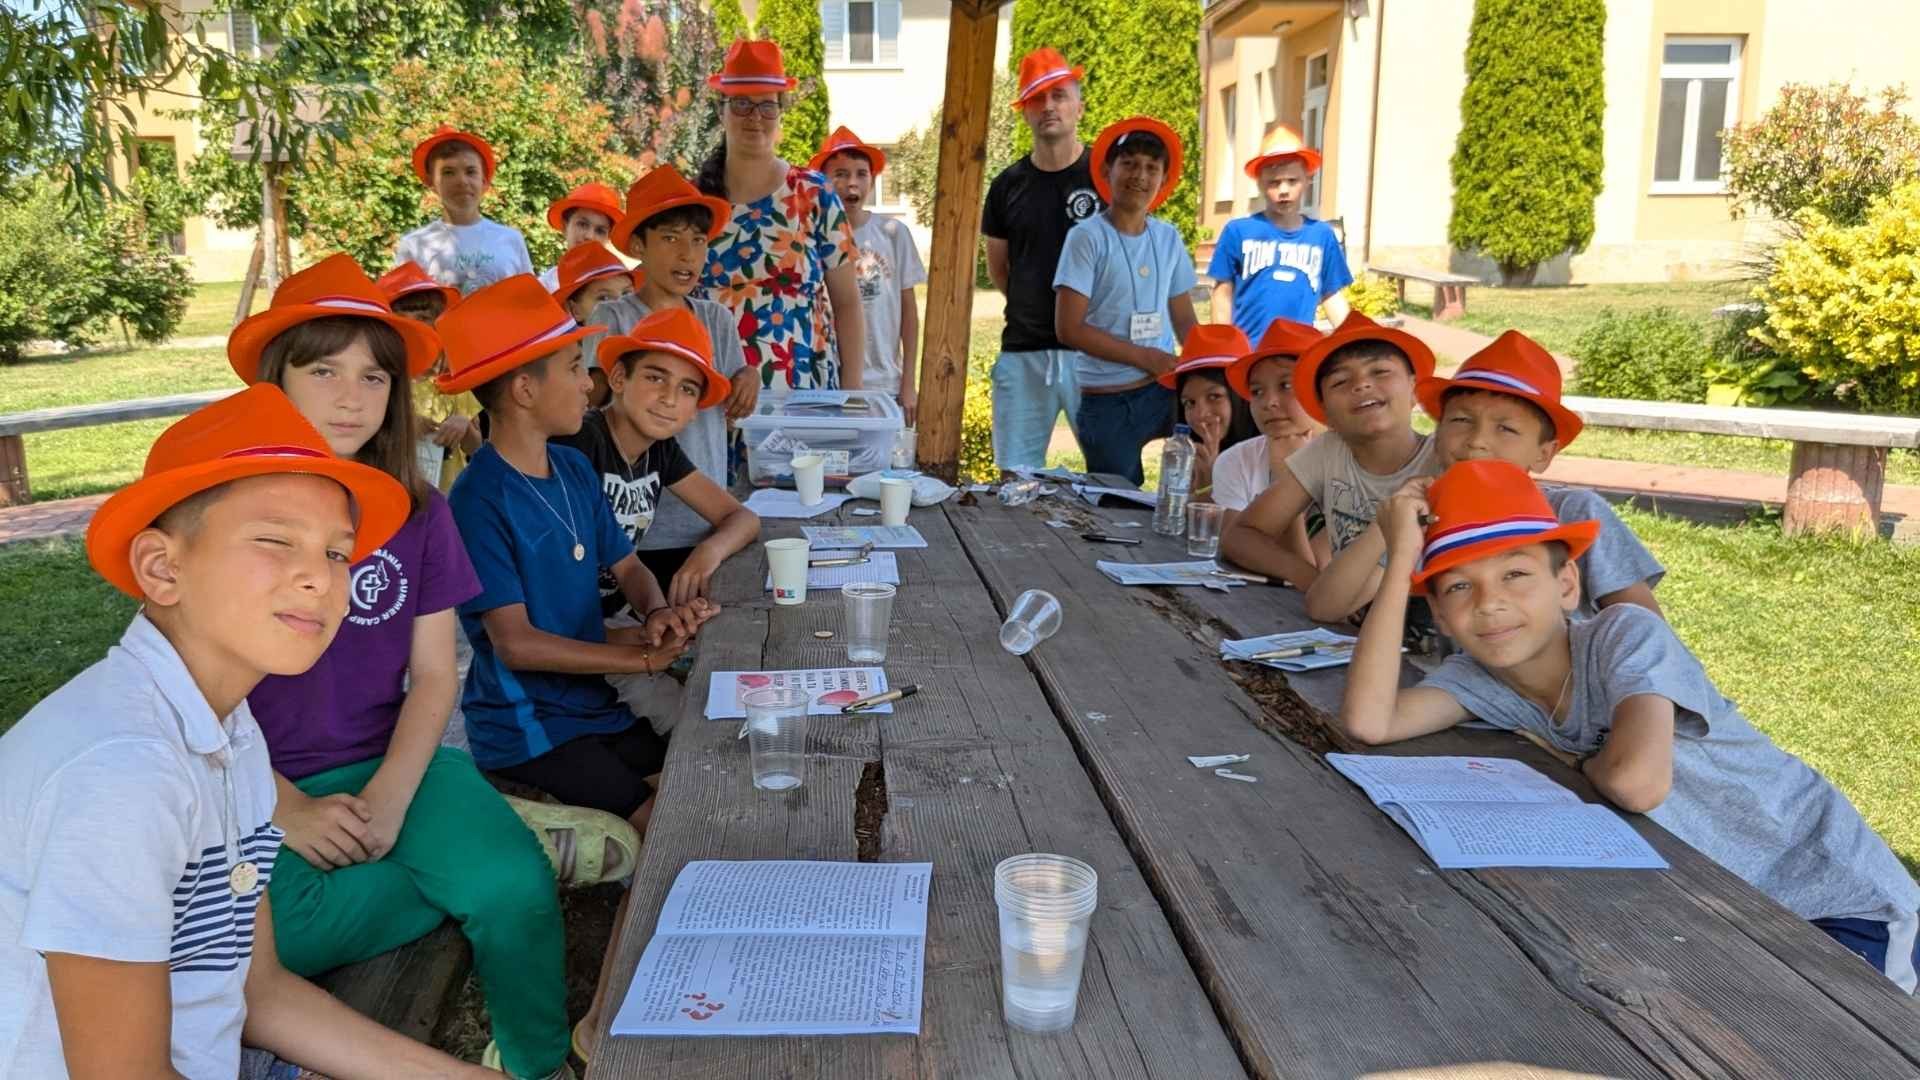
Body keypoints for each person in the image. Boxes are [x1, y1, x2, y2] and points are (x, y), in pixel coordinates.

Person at [0, 384, 496, 1078]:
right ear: (162, 567)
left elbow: (257, 992)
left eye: (335, 553)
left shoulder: (228, 731)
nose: (320, 580)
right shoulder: (123, 774)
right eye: (274, 541)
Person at [1339, 458, 1920, 994]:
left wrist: (1588, 763)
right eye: (1459, 586)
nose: (1489, 603)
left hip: (1831, 893)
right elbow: (1369, 721)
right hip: (1728, 910)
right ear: (1438, 611)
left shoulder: (1624, 633)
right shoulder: (1482, 677)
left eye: (1515, 574)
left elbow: (1637, 783)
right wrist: (1399, 564)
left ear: (1568, 585)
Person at [230, 256, 605, 1080]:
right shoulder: (229, 505)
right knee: (286, 934)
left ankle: (538, 1064)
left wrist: (393, 797)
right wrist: (285, 806)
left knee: (511, 890)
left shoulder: (418, 510)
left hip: (389, 759)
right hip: (249, 783)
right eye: (321, 369)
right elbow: (188, 698)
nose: (349, 396)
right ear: (274, 378)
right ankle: (488, 840)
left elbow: (435, 675)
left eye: (373, 375)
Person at [436, 274, 714, 823]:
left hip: (591, 705)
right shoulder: (479, 499)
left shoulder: (571, 467)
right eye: (571, 368)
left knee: (699, 780)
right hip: (529, 727)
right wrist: (638, 657)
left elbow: (628, 564)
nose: (588, 384)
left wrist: (657, 614)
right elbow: (515, 645)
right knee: (664, 821)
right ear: (524, 389)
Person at [1305, 329, 1665, 624]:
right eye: (1461, 421)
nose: (1477, 441)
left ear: (1544, 454)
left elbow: (1647, 630)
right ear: (1438, 432)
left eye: (1506, 429)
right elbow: (1326, 607)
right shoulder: (1425, 515)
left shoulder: (1575, 512)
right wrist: (1386, 528)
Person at [567, 308, 759, 725]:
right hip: (574, 634)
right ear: (618, 379)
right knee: (693, 723)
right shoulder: (581, 443)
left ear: (696, 410)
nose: (670, 398)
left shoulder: (660, 450)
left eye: (687, 389)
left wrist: (707, 552)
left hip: (620, 617)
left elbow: (741, 518)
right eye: (655, 378)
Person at [592, 165, 756, 592]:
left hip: (706, 517)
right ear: (638, 246)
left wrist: (748, 376)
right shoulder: (614, 317)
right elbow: (590, 402)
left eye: (698, 241)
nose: (687, 254)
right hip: (629, 527)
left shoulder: (716, 319)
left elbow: (732, 392)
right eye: (670, 238)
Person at [1220, 310, 1440, 590]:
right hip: (1340, 619)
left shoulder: (1442, 458)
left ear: (1414, 388)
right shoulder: (1328, 452)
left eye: (1380, 371)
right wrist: (1313, 581)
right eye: (1340, 381)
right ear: (1324, 409)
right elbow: (1240, 537)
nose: (1362, 384)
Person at [695, 39, 864, 395]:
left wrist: (851, 395)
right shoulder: (693, 201)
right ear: (720, 111)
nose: (754, 118)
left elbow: (847, 302)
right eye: (741, 104)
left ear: (780, 112)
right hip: (712, 396)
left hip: (804, 396)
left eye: (767, 107)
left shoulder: (815, 194)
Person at [1053, 115, 1198, 484]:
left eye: (1152, 167)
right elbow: (1068, 329)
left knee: (1225, 433)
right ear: (1107, 171)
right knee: (1118, 503)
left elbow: (1183, 316)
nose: (1140, 175)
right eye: (1129, 163)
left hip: (1164, 391)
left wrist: (1203, 369)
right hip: (1108, 399)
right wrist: (1146, 357)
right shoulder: (1086, 238)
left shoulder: (1168, 237)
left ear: (1164, 179)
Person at [981, 46, 1104, 471]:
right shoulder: (1006, 186)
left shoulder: (1106, 179)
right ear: (1024, 112)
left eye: (1059, 95)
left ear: (1079, 107)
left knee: (1110, 479)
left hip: (1095, 355)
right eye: (1037, 98)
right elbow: (1001, 269)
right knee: (1014, 476)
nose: (1048, 106)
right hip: (1024, 352)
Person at [813, 126, 927, 423]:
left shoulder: (893, 235)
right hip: (827, 381)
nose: (852, 183)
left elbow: (909, 313)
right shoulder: (810, 237)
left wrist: (908, 383)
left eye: (861, 174)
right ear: (823, 181)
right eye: (840, 174)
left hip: (884, 383)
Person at [1207, 125, 1352, 341]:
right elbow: (1222, 294)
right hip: (1249, 356)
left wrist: (1354, 339)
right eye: (1274, 182)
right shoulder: (1238, 232)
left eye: (1292, 181)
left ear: (1307, 181)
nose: (1283, 190)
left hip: (1299, 355)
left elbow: (1331, 295)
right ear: (1260, 184)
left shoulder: (1321, 236)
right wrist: (1222, 347)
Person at [376, 261, 482, 490]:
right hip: (396, 498)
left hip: (449, 499)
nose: (414, 329)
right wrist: (405, 424)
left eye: (423, 318)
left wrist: (464, 426)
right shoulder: (379, 381)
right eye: (402, 320)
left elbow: (476, 449)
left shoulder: (453, 381)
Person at [394, 126, 534, 295]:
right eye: (448, 172)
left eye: (470, 171)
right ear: (431, 183)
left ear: (484, 181)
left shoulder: (511, 240)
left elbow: (530, 303)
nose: (461, 181)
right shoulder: (415, 245)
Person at [1155, 323, 1258, 500]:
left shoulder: (1267, 452)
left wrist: (1211, 482)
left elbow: (1243, 525)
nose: (1200, 414)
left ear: (1241, 396)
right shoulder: (1193, 454)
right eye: (1190, 403)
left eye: (1214, 396)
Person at [551, 240, 642, 407]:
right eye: (604, 298)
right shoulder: (562, 362)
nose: (619, 305)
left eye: (626, 294)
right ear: (574, 309)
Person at [537, 182, 626, 290]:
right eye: (582, 224)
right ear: (565, 226)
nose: (589, 236)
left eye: (600, 231)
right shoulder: (545, 287)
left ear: (608, 238)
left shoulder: (622, 287)